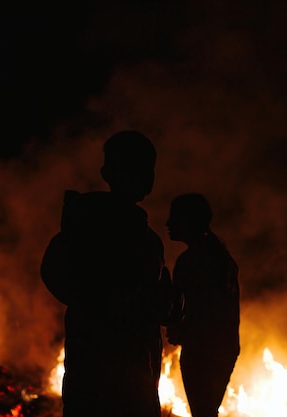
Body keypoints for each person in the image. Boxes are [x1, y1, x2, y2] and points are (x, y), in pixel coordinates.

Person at [40, 130, 180, 417]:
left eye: (146, 169)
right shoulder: (85, 226)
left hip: (139, 373)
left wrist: (168, 304)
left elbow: (161, 299)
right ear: (109, 172)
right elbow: (58, 275)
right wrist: (109, 304)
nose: (142, 177)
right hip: (95, 376)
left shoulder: (148, 238)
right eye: (132, 168)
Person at [165, 193, 240, 417]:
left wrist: (176, 330)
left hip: (201, 350)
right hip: (224, 348)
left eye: (175, 218)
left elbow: (189, 308)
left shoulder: (191, 261)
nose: (168, 224)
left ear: (189, 221)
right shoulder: (221, 257)